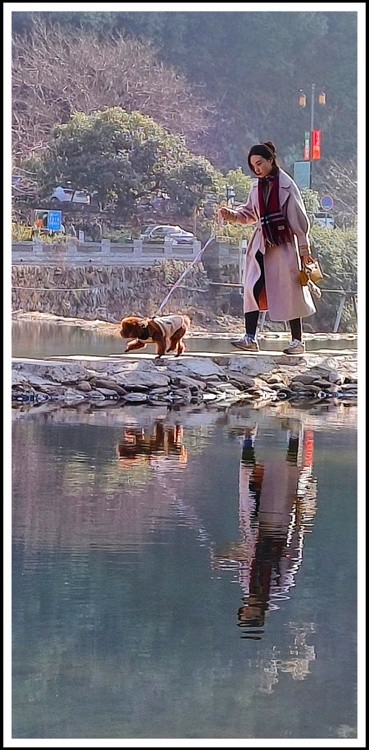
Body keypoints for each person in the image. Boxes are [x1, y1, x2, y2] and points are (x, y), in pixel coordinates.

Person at [210, 418, 317, 639]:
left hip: (256, 528)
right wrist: (299, 522)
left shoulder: (246, 585)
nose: (248, 606)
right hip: (279, 529)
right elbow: (294, 555)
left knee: (250, 484)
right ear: (260, 614)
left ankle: (248, 438)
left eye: (245, 610)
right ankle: (294, 436)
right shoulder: (279, 587)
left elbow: (244, 559)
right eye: (251, 612)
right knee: (287, 481)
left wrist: (224, 557)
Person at [218, 141, 317, 354]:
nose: (257, 169)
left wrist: (304, 251)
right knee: (253, 288)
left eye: (260, 163)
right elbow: (249, 214)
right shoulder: (256, 186)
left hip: (284, 245)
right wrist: (232, 215)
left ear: (271, 160)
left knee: (289, 290)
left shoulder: (286, 185)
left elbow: (299, 221)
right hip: (262, 244)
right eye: (254, 165)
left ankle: (297, 341)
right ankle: (250, 337)